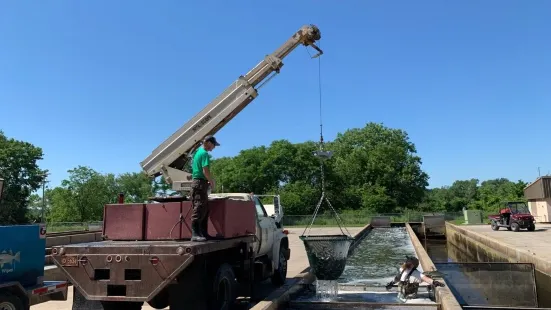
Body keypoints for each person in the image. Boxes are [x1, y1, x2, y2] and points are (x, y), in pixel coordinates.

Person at [190, 135, 219, 242]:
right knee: (199, 207)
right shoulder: (204, 153)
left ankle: (203, 233)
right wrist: (211, 181)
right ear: (208, 142)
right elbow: (205, 170)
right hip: (199, 183)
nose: (214, 147)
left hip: (199, 182)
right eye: (213, 145)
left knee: (204, 209)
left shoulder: (198, 152)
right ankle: (195, 234)